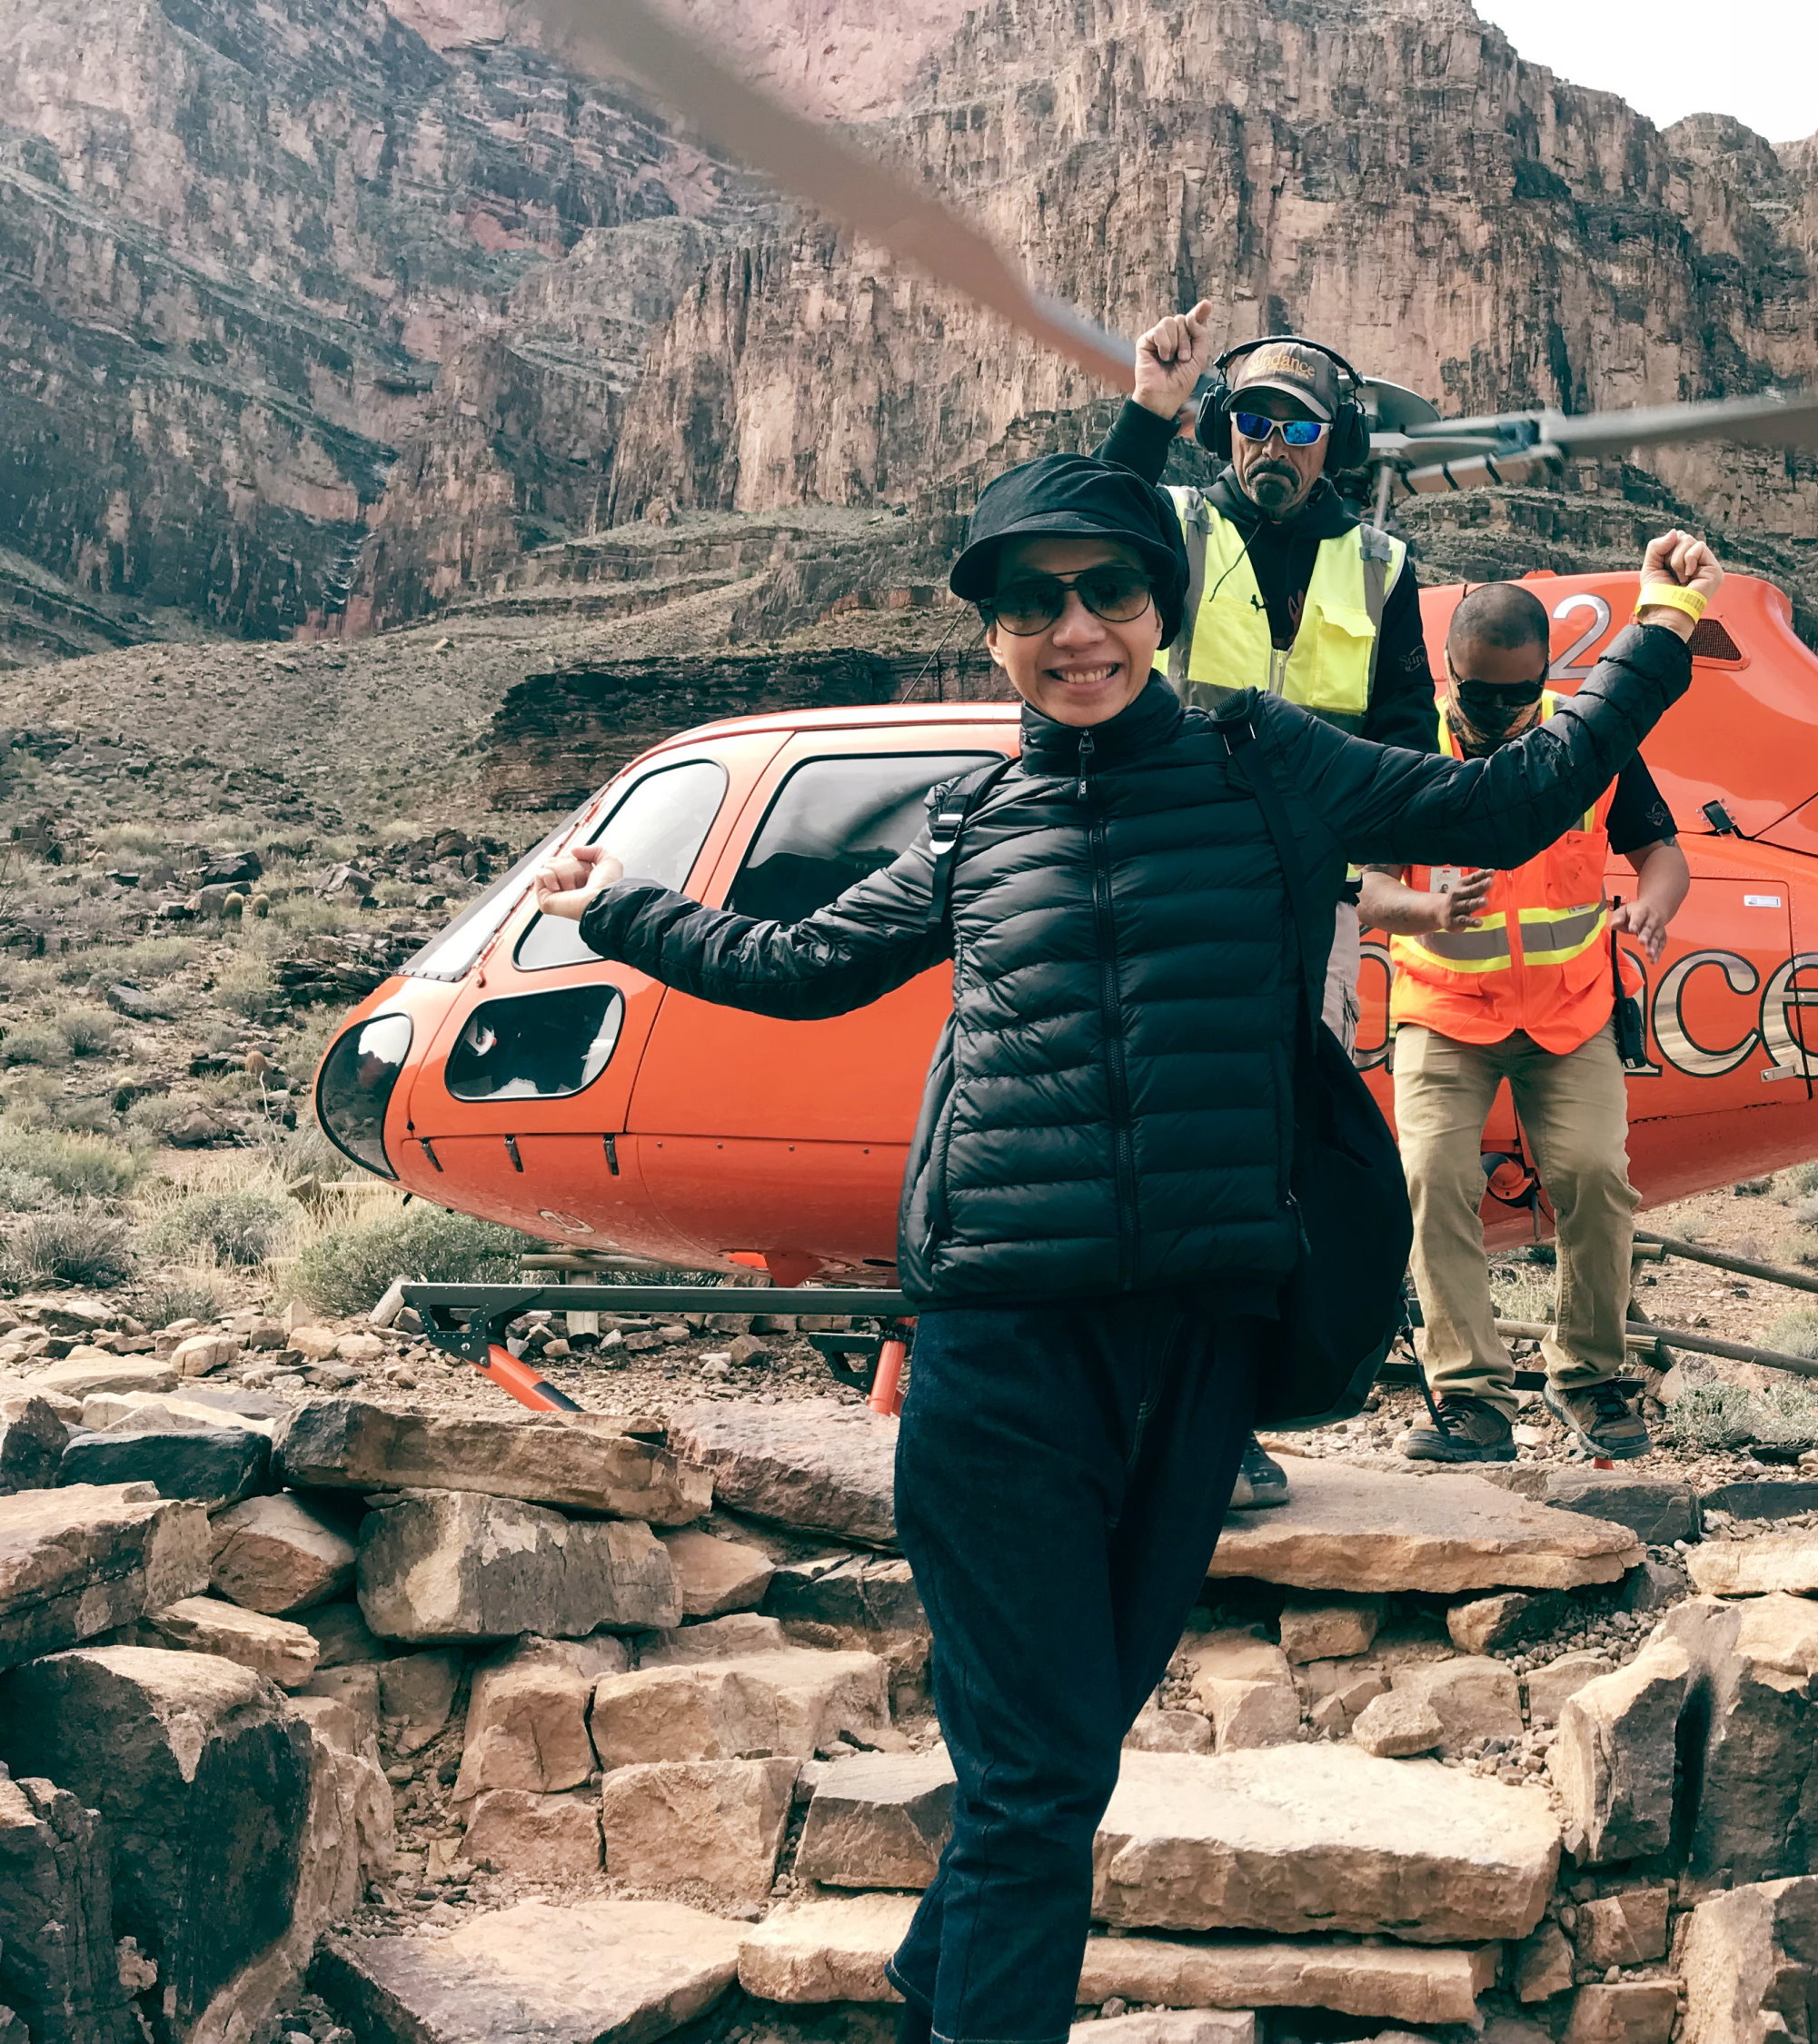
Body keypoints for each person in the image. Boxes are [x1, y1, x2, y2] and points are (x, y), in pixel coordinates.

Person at [528, 450, 1722, 2044]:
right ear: (997, 637)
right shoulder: (977, 817)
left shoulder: (1264, 760)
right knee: (1034, 1785)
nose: (1074, 628)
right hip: (998, 1342)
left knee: (1064, 1760)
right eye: (1034, 605)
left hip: (1197, 1342)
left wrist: (1657, 628)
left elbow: (1505, 805)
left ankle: (926, 1995)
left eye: (1106, 592)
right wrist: (625, 910)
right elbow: (806, 965)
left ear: (1158, 607)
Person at [1104, 302, 1438, 1508]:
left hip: (1308, 907)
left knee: (1273, 1158)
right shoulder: (1179, 531)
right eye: (1250, 418)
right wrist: (1148, 409)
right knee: (1159, 1147)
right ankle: (1137, 1396)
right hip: (1169, 885)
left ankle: (1227, 1413)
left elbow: (1409, 739)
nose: (1271, 443)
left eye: (1297, 424)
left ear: (1330, 444)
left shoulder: (1383, 565)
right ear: (1222, 432)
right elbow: (1090, 529)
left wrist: (1358, 826)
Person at [1361, 583, 1693, 1463]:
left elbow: (1662, 852)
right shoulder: (1406, 747)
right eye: (1482, 696)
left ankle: (1586, 1376)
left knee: (1593, 1174)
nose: (1504, 716)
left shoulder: (1586, 745)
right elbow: (1366, 887)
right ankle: (1471, 1399)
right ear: (1449, 676)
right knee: (1433, 1175)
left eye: (1522, 696)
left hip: (1568, 1011)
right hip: (1444, 1009)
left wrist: (1654, 907)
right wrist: (1423, 912)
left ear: (1546, 678)